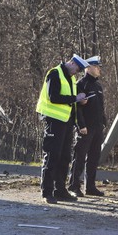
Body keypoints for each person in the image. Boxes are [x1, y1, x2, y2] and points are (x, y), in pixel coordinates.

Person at [36, 54, 89, 204]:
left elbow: (70, 101)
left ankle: (60, 190)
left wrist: (78, 103)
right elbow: (53, 97)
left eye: (79, 70)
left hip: (66, 122)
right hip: (53, 120)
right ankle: (47, 191)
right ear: (71, 62)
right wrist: (75, 98)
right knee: (52, 156)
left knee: (65, 157)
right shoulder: (55, 73)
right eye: (77, 68)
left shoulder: (71, 78)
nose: (76, 72)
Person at [68, 56, 107, 197]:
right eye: (97, 66)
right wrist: (81, 125)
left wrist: (103, 122)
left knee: (93, 158)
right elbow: (77, 108)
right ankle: (74, 186)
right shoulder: (81, 84)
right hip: (85, 127)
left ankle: (90, 186)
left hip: (97, 127)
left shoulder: (97, 86)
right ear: (88, 67)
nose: (99, 69)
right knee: (79, 157)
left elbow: (100, 107)